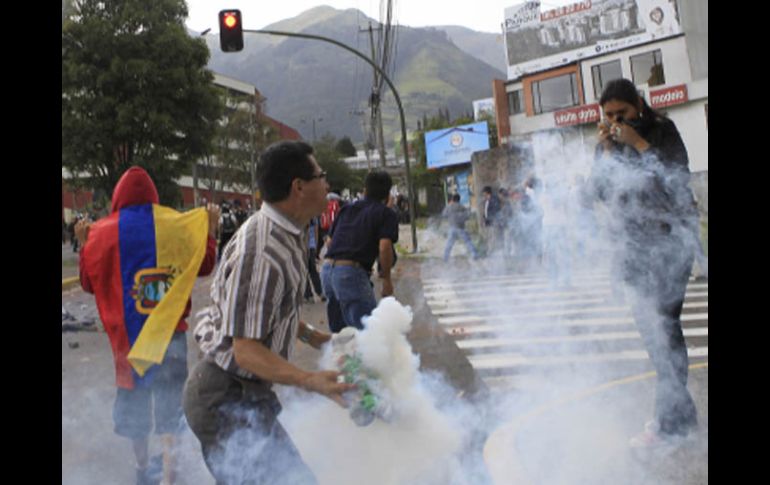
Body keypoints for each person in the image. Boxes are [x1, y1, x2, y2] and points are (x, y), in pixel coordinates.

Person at [183, 140, 353, 485]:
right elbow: (246, 350)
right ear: (299, 187)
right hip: (226, 398)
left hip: (243, 396)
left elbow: (265, 310)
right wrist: (310, 381)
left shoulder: (286, 231)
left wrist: (313, 336)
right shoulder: (262, 251)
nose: (327, 184)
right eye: (321, 176)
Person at [76, 166, 218, 485]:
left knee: (135, 415)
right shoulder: (177, 224)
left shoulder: (100, 233)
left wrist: (84, 246)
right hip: (170, 337)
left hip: (128, 345)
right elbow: (206, 265)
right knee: (171, 412)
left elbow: (88, 283)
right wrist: (209, 231)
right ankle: (169, 479)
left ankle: (141, 471)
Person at [589, 78, 699, 448]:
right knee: (655, 337)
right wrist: (605, 152)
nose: (617, 121)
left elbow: (676, 182)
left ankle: (669, 424)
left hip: (670, 245)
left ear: (639, 104)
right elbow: (599, 194)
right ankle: (680, 416)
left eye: (623, 113)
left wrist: (637, 144)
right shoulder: (610, 144)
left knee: (664, 330)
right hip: (633, 249)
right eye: (610, 116)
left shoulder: (663, 131)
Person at [321, 170, 399, 333]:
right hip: (350, 273)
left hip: (328, 270)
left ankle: (341, 358)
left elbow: (329, 241)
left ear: (365, 190)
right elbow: (384, 247)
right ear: (388, 194)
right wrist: (386, 280)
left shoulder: (347, 208)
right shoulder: (385, 214)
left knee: (341, 334)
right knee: (369, 333)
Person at [442, 193, 478, 262]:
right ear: (459, 199)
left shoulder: (449, 206)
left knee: (449, 243)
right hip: (461, 228)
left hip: (452, 228)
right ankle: (474, 254)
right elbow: (468, 215)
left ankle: (445, 257)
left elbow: (444, 215)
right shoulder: (462, 207)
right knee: (467, 241)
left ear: (452, 199)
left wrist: (450, 217)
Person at [304, 215, 325, 303]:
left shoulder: (304, 215)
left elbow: (306, 233)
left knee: (305, 271)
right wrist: (315, 246)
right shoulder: (314, 217)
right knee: (313, 270)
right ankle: (320, 292)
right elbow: (316, 232)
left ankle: (308, 295)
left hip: (304, 246)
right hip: (312, 246)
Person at [481, 186, 501, 254]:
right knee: (489, 237)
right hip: (488, 222)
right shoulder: (486, 201)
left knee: (494, 237)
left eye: (484, 192)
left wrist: (490, 219)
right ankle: (490, 252)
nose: (483, 194)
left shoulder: (494, 199)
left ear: (487, 192)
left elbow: (495, 211)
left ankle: (495, 252)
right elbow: (485, 211)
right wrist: (484, 219)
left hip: (493, 222)